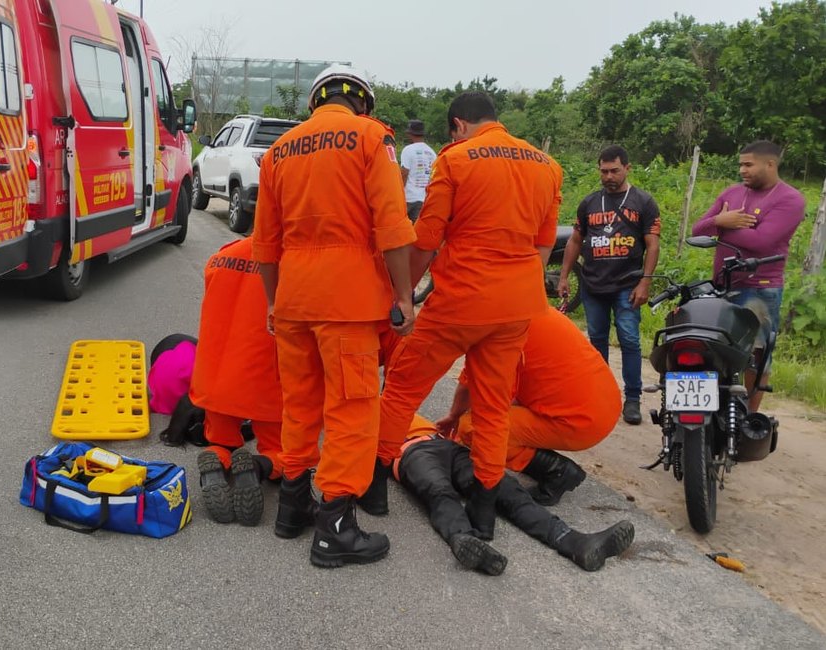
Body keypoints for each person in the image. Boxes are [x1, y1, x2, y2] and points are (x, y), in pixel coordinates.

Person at [374, 91, 562, 542]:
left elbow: (427, 238)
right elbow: (543, 245)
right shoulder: (546, 165)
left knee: (401, 389)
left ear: (458, 124)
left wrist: (405, 297)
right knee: (493, 405)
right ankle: (483, 511)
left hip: (461, 300)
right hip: (517, 304)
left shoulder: (456, 160)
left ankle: (372, 487)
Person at [252, 64, 417, 568]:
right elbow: (392, 226)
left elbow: (265, 243)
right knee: (351, 407)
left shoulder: (279, 149)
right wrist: (404, 297)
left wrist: (274, 301)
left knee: (299, 404)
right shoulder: (372, 137)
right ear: (361, 102)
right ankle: (336, 528)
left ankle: (293, 508)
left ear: (314, 102)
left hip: (296, 298)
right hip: (347, 302)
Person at [394, 415, 635, 576]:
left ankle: (575, 541)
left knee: (505, 487)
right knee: (439, 492)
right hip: (409, 453)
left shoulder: (400, 400)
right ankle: (466, 541)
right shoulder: (364, 418)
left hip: (448, 446)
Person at [434, 308, 621, 506]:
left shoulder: (495, 325)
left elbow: (471, 385)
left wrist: (454, 417)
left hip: (583, 421)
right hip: (605, 403)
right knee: (497, 411)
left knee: (473, 427)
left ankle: (556, 470)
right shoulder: (529, 307)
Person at [691, 140, 806, 413]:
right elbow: (698, 229)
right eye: (741, 164)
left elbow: (763, 242)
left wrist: (722, 226)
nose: (742, 169)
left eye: (748, 164)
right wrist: (720, 221)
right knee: (715, 349)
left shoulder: (790, 199)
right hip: (722, 285)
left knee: (755, 355)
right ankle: (717, 413)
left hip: (759, 289)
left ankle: (748, 418)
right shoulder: (731, 192)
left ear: (770, 164)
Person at [558, 145, 661, 426]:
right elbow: (576, 241)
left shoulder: (643, 202)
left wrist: (645, 283)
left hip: (627, 285)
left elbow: (652, 245)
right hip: (593, 285)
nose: (608, 176)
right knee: (597, 340)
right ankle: (601, 395)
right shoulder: (589, 203)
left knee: (628, 340)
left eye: (614, 170)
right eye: (604, 171)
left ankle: (632, 398)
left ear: (627, 168)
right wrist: (565, 276)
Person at [188, 237, 283, 527]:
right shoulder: (289, 262)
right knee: (282, 451)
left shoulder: (221, 256)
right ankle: (256, 467)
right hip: (264, 383)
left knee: (220, 438)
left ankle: (218, 458)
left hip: (213, 379)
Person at [400, 119, 437, 222]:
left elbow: (404, 173)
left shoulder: (408, 150)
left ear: (410, 134)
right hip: (424, 199)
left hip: (408, 198)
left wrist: (399, 193)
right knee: (417, 231)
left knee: (403, 231)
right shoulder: (431, 152)